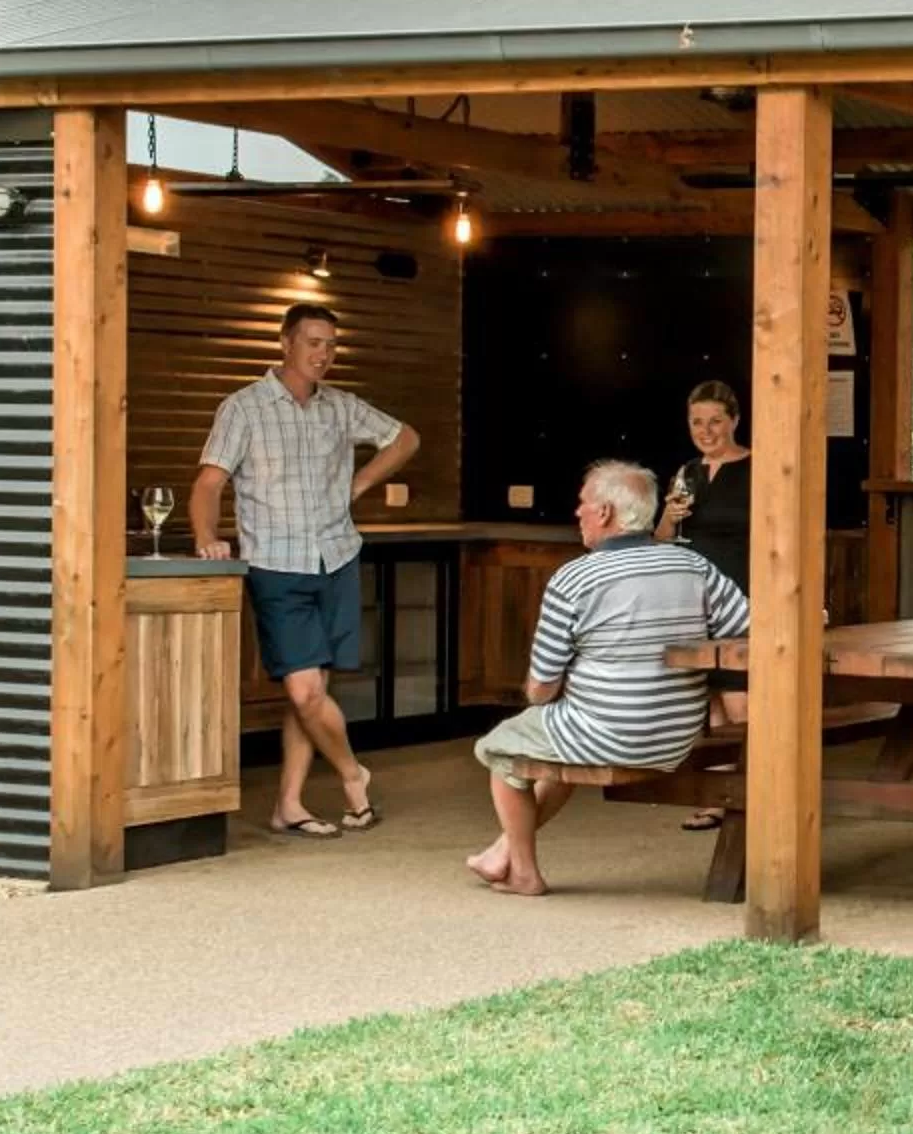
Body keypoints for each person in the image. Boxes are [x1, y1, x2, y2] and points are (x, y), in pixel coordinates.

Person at [467, 460, 751, 896]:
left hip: (611, 733)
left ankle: (523, 872)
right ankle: (502, 850)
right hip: (676, 736)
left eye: (582, 504)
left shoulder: (574, 578)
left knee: (501, 748)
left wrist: (548, 693)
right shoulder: (692, 565)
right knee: (555, 750)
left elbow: (542, 688)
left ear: (604, 513)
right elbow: (745, 623)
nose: (577, 512)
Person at [191, 301, 420, 839]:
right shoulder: (243, 408)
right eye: (313, 342)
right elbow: (207, 483)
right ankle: (353, 774)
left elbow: (405, 438)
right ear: (285, 344)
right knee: (304, 692)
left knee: (312, 687)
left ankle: (288, 805)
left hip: (335, 557)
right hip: (275, 563)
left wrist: (361, 484)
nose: (323, 354)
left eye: (331, 345)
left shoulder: (342, 407)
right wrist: (207, 537)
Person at [654, 379, 753, 831]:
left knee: (741, 700)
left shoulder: (759, 467)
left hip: (742, 595)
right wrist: (667, 519)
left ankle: (754, 795)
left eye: (715, 420)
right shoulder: (687, 473)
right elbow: (662, 543)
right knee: (707, 701)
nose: (706, 430)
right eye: (697, 422)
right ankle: (718, 798)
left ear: (735, 420)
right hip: (694, 599)